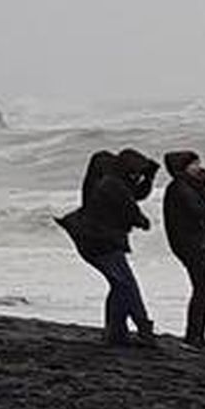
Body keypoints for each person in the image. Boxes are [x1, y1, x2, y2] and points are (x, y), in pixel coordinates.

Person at [54, 148, 161, 347]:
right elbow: (134, 211)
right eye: (136, 172)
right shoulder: (112, 185)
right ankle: (141, 328)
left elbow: (135, 194)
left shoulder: (108, 182)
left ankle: (118, 332)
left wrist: (149, 177)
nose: (137, 176)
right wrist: (143, 221)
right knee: (126, 285)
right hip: (101, 243)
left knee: (120, 285)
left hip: (94, 241)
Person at [161, 150, 205, 348]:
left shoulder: (197, 183)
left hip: (196, 240)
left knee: (204, 287)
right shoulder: (179, 187)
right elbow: (197, 210)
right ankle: (193, 337)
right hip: (186, 242)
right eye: (194, 164)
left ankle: (197, 336)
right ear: (183, 167)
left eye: (198, 162)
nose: (198, 166)